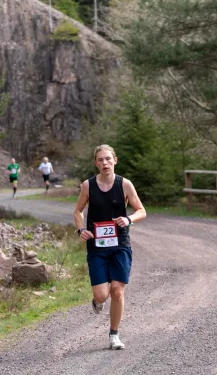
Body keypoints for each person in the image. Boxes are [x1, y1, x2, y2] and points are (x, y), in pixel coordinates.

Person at [73, 144, 146, 350]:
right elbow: (78, 211)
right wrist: (81, 230)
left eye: (108, 159)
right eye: (100, 160)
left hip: (120, 244)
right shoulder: (88, 186)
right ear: (96, 163)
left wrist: (129, 218)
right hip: (96, 246)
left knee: (117, 291)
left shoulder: (125, 184)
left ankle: (114, 335)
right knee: (101, 295)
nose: (104, 163)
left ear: (115, 160)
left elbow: (141, 210)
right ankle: (97, 302)